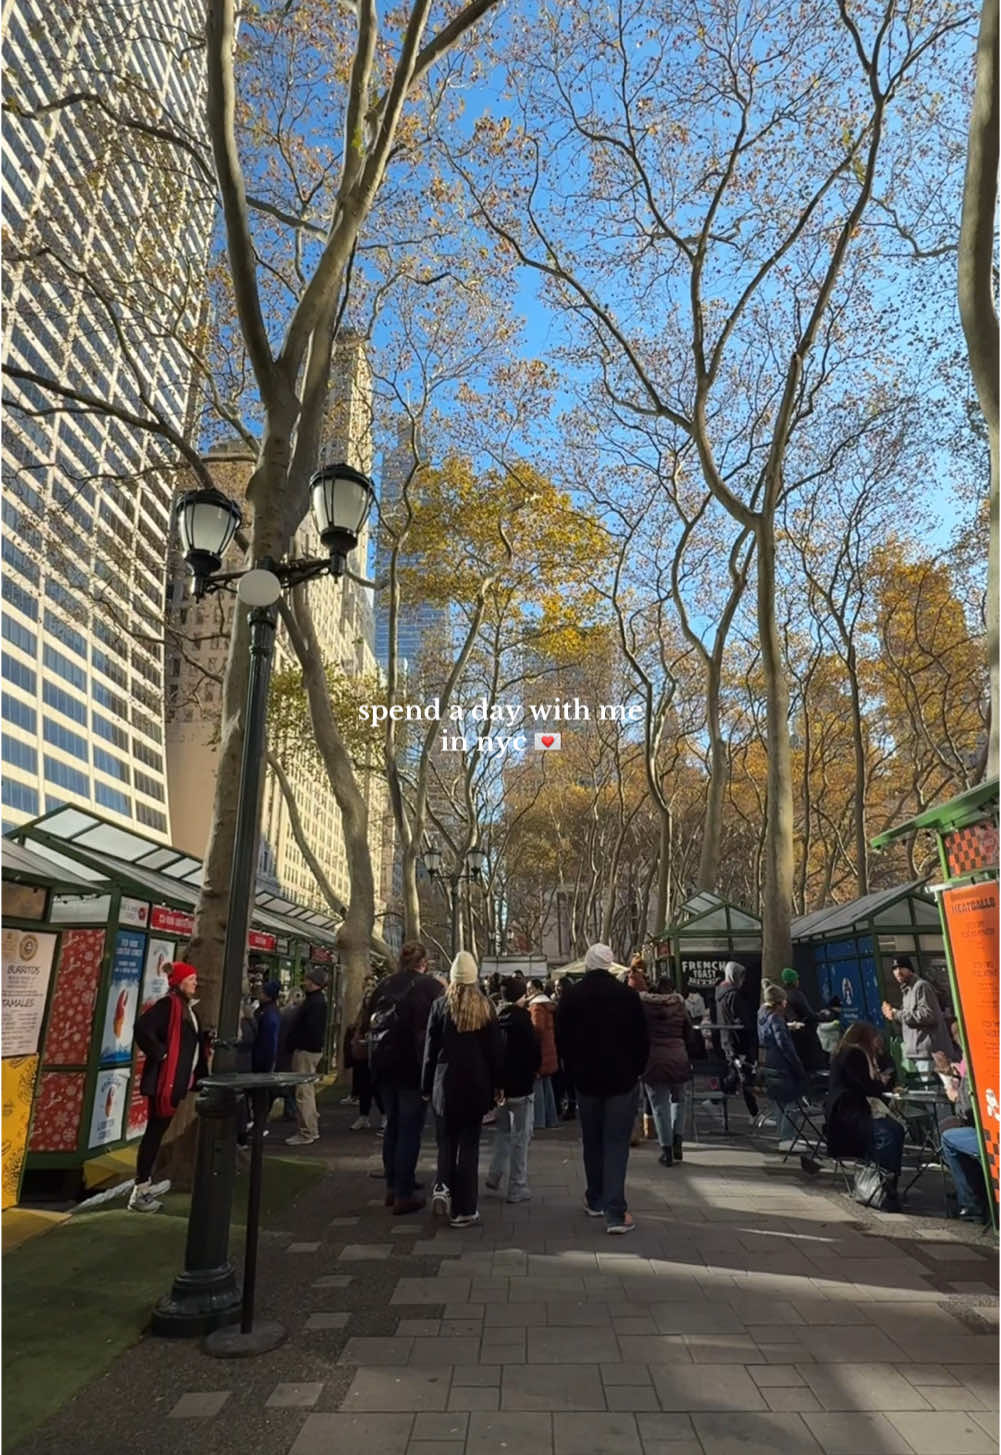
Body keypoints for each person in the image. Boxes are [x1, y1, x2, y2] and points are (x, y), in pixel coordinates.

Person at [555, 942, 649, 1234]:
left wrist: (572, 1071)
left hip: (586, 1080)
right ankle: (616, 1212)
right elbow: (642, 1040)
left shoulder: (572, 996)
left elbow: (562, 1040)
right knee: (616, 1144)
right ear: (609, 964)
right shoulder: (627, 997)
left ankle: (596, 1198)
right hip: (621, 1080)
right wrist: (635, 1070)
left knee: (592, 1141)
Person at [423, 951, 505, 1226]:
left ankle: (443, 1185)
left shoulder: (439, 1006)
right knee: (469, 1146)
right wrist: (499, 1085)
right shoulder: (486, 1008)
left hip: (444, 1084)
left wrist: (425, 1085)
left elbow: (430, 1052)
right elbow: (495, 1052)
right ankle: (465, 1207)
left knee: (445, 1142)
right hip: (475, 1085)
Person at [366, 940, 443, 1214]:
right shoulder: (431, 987)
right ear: (424, 963)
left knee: (393, 1125)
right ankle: (403, 1191)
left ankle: (393, 1184)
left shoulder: (384, 985)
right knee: (410, 1128)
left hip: (383, 1064)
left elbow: (366, 1021)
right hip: (413, 1066)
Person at [130, 961, 211, 1212]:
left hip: (175, 1081)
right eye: (191, 979)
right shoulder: (169, 1006)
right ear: (179, 982)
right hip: (165, 1081)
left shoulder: (185, 1008)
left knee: (157, 1132)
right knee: (154, 1134)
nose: (195, 983)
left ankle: (145, 1183)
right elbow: (142, 1028)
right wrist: (162, 1054)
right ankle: (140, 1190)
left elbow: (191, 1041)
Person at [824, 1021, 905, 1211]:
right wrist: (883, 1085)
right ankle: (885, 1185)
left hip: (844, 1112)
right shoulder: (854, 1054)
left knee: (892, 1129)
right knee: (891, 1132)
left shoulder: (844, 1052)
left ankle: (885, 1183)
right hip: (848, 1114)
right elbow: (866, 1087)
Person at [485, 974, 541, 1203]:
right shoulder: (523, 1020)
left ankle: (495, 1173)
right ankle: (517, 1186)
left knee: (503, 1133)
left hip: (501, 1088)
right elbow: (534, 1052)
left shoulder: (495, 1020)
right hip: (522, 1086)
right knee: (521, 1137)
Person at [936, 1029, 989, 1222]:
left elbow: (966, 1109)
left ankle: (971, 1202)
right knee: (951, 1128)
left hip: (989, 1136)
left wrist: (952, 1090)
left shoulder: (975, 1061)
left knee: (948, 1136)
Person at [639, 976, 691, 1166]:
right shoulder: (679, 1005)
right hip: (678, 1056)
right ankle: (678, 1140)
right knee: (679, 1099)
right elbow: (688, 1031)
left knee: (659, 1105)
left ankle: (666, 1150)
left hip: (654, 1059)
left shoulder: (645, 1007)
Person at [881, 956, 952, 1078]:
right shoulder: (907, 990)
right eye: (894, 969)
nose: (898, 972)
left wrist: (896, 1014)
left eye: (902, 967)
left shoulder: (921, 986)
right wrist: (893, 1016)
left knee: (931, 1092)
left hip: (928, 1053)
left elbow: (928, 1015)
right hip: (917, 1053)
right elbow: (909, 1020)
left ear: (910, 969)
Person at [757, 985, 809, 1148]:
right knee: (791, 1100)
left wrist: (787, 1027)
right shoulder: (776, 1018)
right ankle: (787, 1138)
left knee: (778, 1101)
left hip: (769, 1060)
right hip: (781, 1063)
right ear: (779, 1003)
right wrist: (798, 1066)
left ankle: (783, 1136)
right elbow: (784, 1044)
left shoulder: (762, 1014)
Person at [285, 968, 329, 1146]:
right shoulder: (317, 1000)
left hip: (306, 1050)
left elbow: (310, 1029)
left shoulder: (314, 1002)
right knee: (307, 1090)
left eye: (308, 979)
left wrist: (295, 1042)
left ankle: (307, 1131)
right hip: (309, 1049)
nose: (305, 982)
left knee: (303, 1092)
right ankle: (310, 1128)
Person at [716, 961, 759, 1117]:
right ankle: (754, 1112)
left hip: (728, 1039)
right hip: (738, 1040)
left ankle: (718, 1097)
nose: (743, 980)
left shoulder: (720, 994)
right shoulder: (734, 995)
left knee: (737, 1073)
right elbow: (741, 1019)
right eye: (741, 976)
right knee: (744, 1074)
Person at [527, 977, 559, 1130]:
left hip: (540, 1051)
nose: (527, 992)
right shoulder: (548, 1005)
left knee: (538, 1087)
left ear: (535, 989)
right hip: (549, 1049)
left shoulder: (536, 1007)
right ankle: (551, 1118)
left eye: (529, 989)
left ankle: (539, 1120)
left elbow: (536, 1030)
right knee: (547, 1087)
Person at [779, 968, 820, 1070]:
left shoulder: (781, 995)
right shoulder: (796, 994)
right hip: (801, 1034)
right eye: (797, 979)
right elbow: (809, 1014)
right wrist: (824, 1016)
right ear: (793, 981)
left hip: (787, 1034)